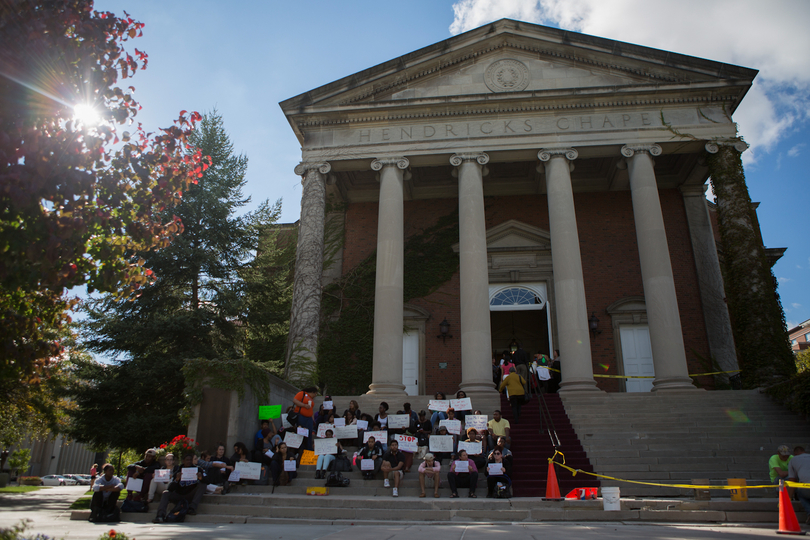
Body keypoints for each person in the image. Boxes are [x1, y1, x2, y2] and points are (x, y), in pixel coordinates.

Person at [153, 453, 205, 523]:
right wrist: (176, 480)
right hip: (179, 495)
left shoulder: (198, 469)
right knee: (166, 493)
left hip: (191, 494)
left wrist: (201, 478)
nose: (189, 461)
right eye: (187, 460)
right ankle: (160, 516)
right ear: (183, 461)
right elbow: (170, 489)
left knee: (203, 484)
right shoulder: (178, 471)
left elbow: (207, 481)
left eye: (190, 460)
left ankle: (192, 508)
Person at [787, 446, 810, 523]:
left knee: (801, 494)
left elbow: (792, 480)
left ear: (795, 453)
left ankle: (809, 512)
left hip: (806, 487)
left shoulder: (793, 460)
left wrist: (789, 498)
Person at [292, 386, 318, 450]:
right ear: (312, 392)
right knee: (302, 432)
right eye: (315, 394)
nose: (315, 395)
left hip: (309, 418)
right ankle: (301, 447)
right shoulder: (302, 393)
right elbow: (295, 400)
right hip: (301, 416)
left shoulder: (311, 399)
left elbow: (311, 409)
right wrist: (304, 405)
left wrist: (312, 418)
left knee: (309, 433)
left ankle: (308, 447)